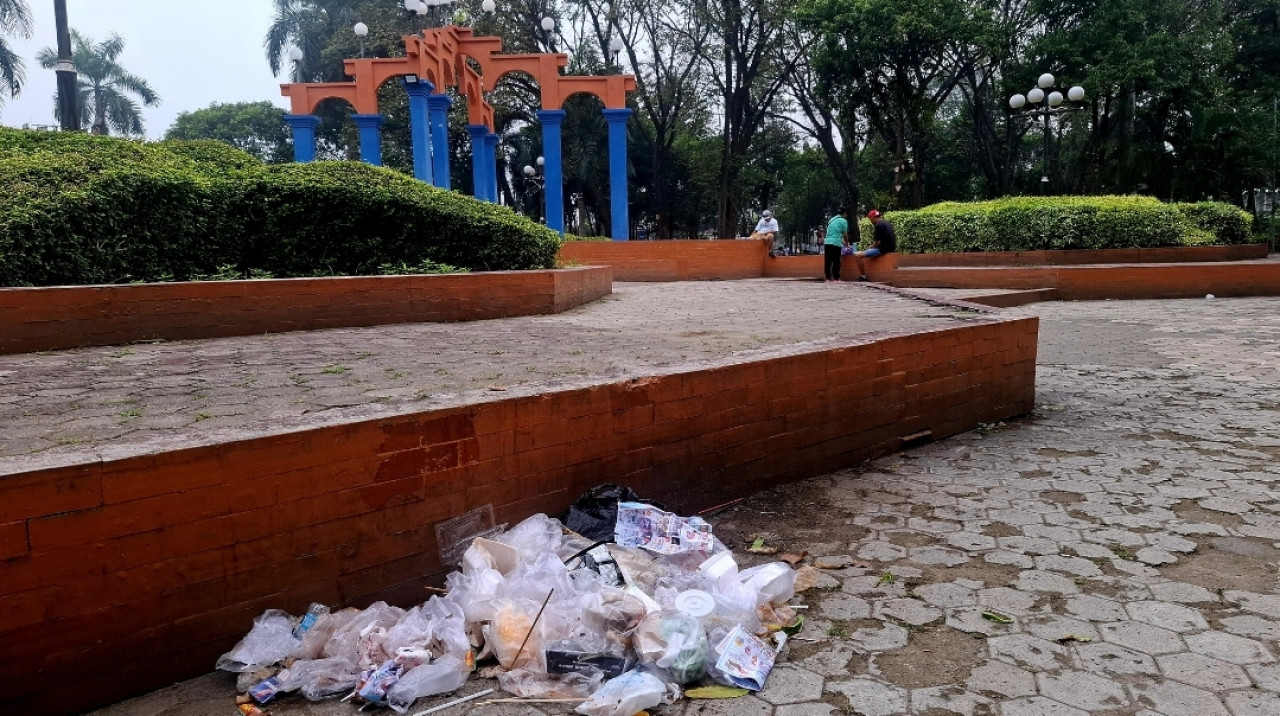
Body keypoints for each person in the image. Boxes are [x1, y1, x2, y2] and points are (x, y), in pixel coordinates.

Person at [854, 209, 896, 281]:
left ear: (873, 217)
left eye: (870, 219)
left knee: (857, 256)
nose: (870, 221)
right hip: (891, 248)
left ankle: (863, 276)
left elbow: (877, 242)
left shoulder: (878, 225)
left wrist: (869, 248)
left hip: (882, 249)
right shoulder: (887, 223)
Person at [823, 205, 850, 282]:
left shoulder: (831, 220)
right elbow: (845, 235)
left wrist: (843, 243)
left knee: (828, 261)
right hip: (836, 243)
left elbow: (833, 234)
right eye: (846, 214)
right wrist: (847, 244)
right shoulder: (843, 221)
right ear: (844, 213)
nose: (846, 215)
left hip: (827, 242)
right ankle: (836, 278)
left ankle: (828, 278)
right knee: (836, 261)